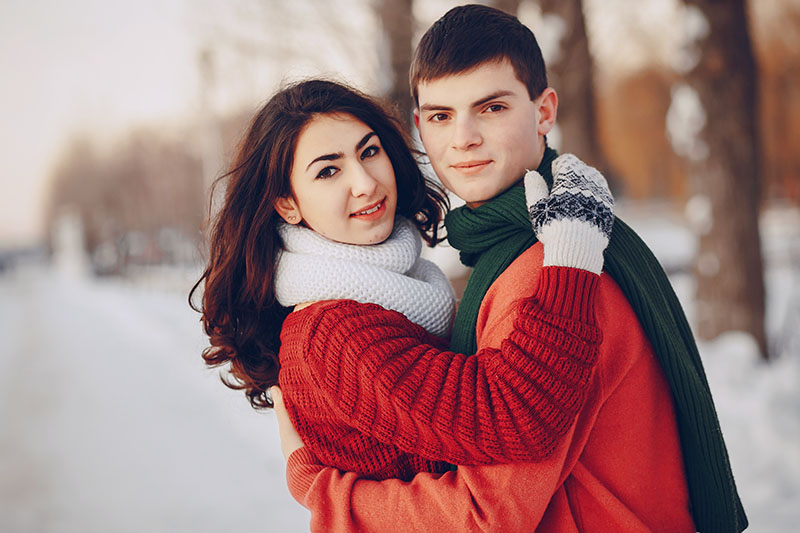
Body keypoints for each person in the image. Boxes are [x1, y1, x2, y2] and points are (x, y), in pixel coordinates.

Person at [274, 5, 748, 532]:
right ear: (419, 128)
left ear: (544, 111)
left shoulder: (552, 266)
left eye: (492, 108)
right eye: (440, 116)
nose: (463, 138)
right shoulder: (561, 233)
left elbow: (484, 515)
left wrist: (319, 490)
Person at [191, 79, 615, 486]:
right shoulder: (335, 333)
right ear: (286, 204)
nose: (365, 182)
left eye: (369, 151)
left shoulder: (403, 288)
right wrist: (571, 259)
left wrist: (316, 487)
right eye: (327, 172)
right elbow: (515, 416)